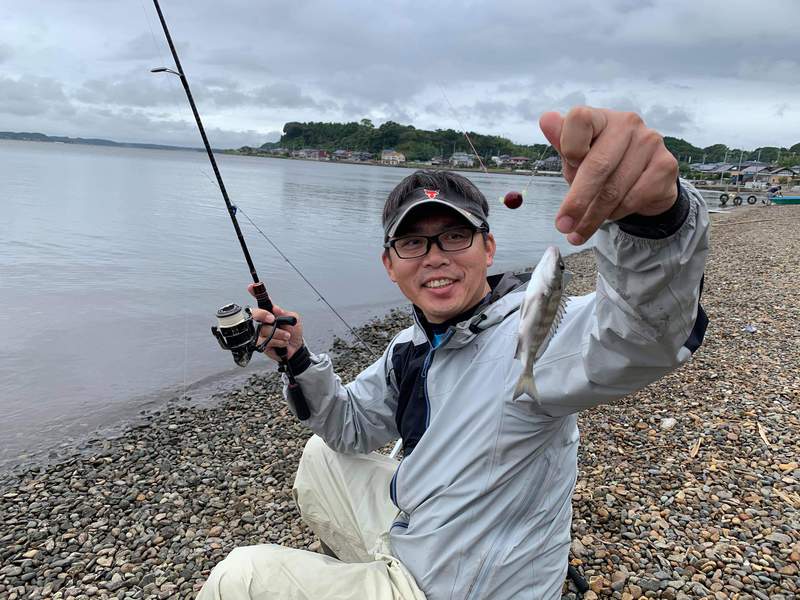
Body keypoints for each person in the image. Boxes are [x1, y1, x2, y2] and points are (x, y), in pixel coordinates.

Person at [198, 107, 710, 600]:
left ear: (487, 249)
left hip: (461, 587)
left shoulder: (535, 332)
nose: (436, 256)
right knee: (323, 455)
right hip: (419, 537)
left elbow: (642, 334)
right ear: (389, 264)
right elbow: (348, 427)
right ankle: (367, 570)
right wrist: (298, 360)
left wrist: (655, 221)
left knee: (239, 578)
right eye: (413, 243)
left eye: (455, 235)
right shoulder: (411, 346)